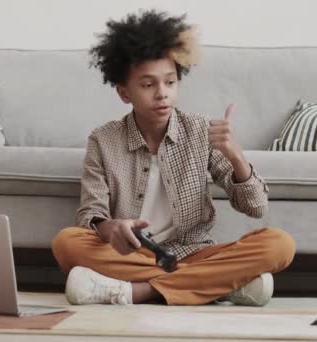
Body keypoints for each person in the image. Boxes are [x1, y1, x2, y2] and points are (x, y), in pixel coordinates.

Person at [51, 9, 295, 306]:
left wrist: (237, 157)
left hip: (194, 251)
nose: (162, 94)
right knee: (66, 243)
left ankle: (137, 291)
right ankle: (219, 285)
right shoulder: (103, 140)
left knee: (279, 245)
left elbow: (256, 207)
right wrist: (111, 227)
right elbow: (91, 213)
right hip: (134, 254)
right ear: (124, 92)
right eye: (148, 84)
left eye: (170, 82)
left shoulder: (201, 131)